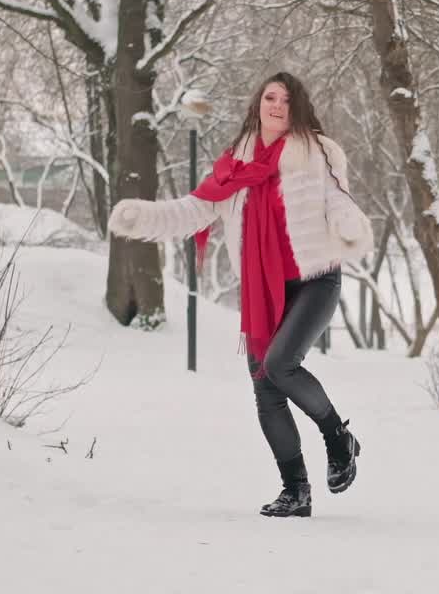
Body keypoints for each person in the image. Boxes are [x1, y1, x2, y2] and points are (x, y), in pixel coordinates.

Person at [108, 72, 375, 518]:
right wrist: (142, 218)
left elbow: (338, 200)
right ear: (257, 104)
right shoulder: (235, 162)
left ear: (297, 108)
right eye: (270, 97)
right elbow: (193, 209)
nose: (276, 105)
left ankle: (336, 436)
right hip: (263, 289)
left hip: (315, 279)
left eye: (286, 100)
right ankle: (296, 491)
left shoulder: (321, 152)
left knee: (279, 364)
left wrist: (351, 226)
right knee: (265, 388)